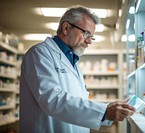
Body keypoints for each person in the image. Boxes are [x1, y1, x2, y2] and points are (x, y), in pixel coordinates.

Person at [19, 5, 135, 133]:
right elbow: (52, 99)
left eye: (92, 36)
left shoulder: (72, 60)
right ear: (66, 28)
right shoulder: (39, 54)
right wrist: (104, 111)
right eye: (86, 33)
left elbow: (78, 100)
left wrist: (109, 107)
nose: (89, 41)